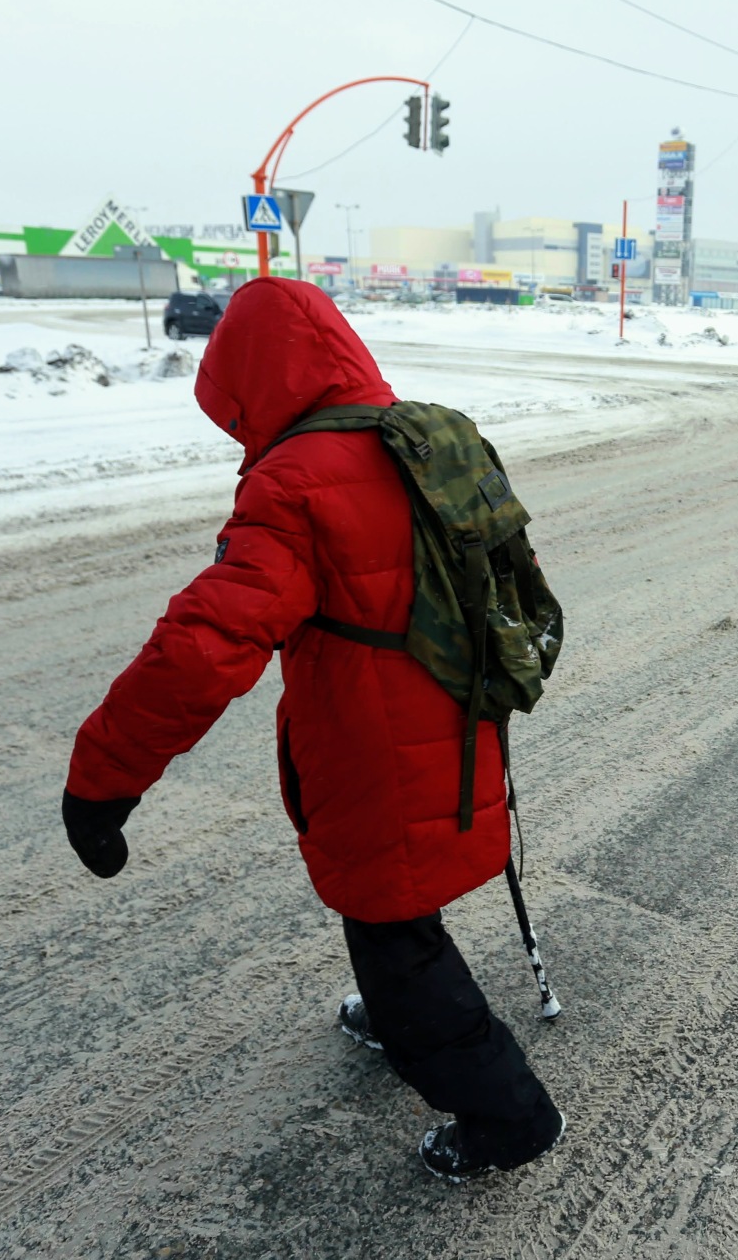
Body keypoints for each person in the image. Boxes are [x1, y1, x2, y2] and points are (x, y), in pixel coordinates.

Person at [60, 276, 564, 1183]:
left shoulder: (294, 481)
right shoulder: (424, 439)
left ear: (253, 378)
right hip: (459, 719)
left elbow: (202, 646)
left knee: (392, 928)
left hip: (373, 747)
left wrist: (105, 776)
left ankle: (508, 1117)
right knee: (398, 898)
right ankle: (400, 1014)